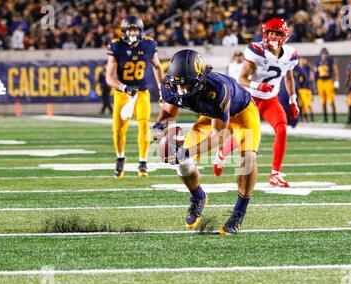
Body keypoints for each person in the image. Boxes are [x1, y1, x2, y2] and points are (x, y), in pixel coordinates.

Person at [152, 49, 260, 235]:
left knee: (248, 160)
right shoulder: (171, 85)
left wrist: (187, 151)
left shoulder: (217, 89)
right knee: (182, 162)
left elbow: (219, 135)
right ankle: (198, 197)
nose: (181, 90)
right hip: (211, 116)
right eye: (177, 84)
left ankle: (239, 213)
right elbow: (169, 113)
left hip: (242, 114)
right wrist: (158, 128)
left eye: (186, 84)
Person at [212, 18, 299, 188]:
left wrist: (292, 100)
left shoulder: (290, 54)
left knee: (282, 128)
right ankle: (222, 153)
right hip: (250, 99)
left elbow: (289, 78)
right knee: (245, 133)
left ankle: (275, 175)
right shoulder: (256, 50)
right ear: (265, 33)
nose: (273, 36)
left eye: (277, 33)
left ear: (284, 36)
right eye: (270, 33)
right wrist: (258, 85)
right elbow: (242, 78)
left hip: (270, 99)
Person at [106, 16, 164, 178]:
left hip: (141, 92)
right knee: (118, 130)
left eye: (135, 29)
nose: (132, 32)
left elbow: (158, 67)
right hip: (122, 94)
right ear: (124, 31)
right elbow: (109, 77)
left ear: (140, 31)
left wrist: (162, 90)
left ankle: (143, 162)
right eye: (130, 29)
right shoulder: (116, 46)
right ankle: (120, 158)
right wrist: (124, 87)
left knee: (144, 126)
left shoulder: (149, 44)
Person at [314, 48, 339, 123]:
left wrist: (336, 82)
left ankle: (334, 119)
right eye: (322, 53)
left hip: (328, 81)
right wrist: (315, 85)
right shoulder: (317, 62)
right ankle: (325, 118)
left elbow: (335, 72)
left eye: (325, 53)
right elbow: (315, 74)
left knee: (331, 101)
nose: (324, 55)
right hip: (320, 82)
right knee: (323, 102)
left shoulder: (331, 61)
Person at [295, 57, 314, 122]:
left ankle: (312, 118)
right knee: (301, 105)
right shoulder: (297, 68)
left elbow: (310, 77)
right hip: (299, 88)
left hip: (306, 88)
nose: (302, 61)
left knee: (308, 104)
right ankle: (304, 118)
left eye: (303, 60)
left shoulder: (307, 68)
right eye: (301, 60)